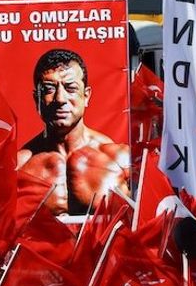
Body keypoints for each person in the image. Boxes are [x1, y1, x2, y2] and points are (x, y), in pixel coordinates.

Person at [17, 48, 130, 216]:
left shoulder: (121, 159)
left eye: (70, 88)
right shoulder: (18, 167)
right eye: (49, 89)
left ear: (86, 96)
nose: (60, 99)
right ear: (37, 100)